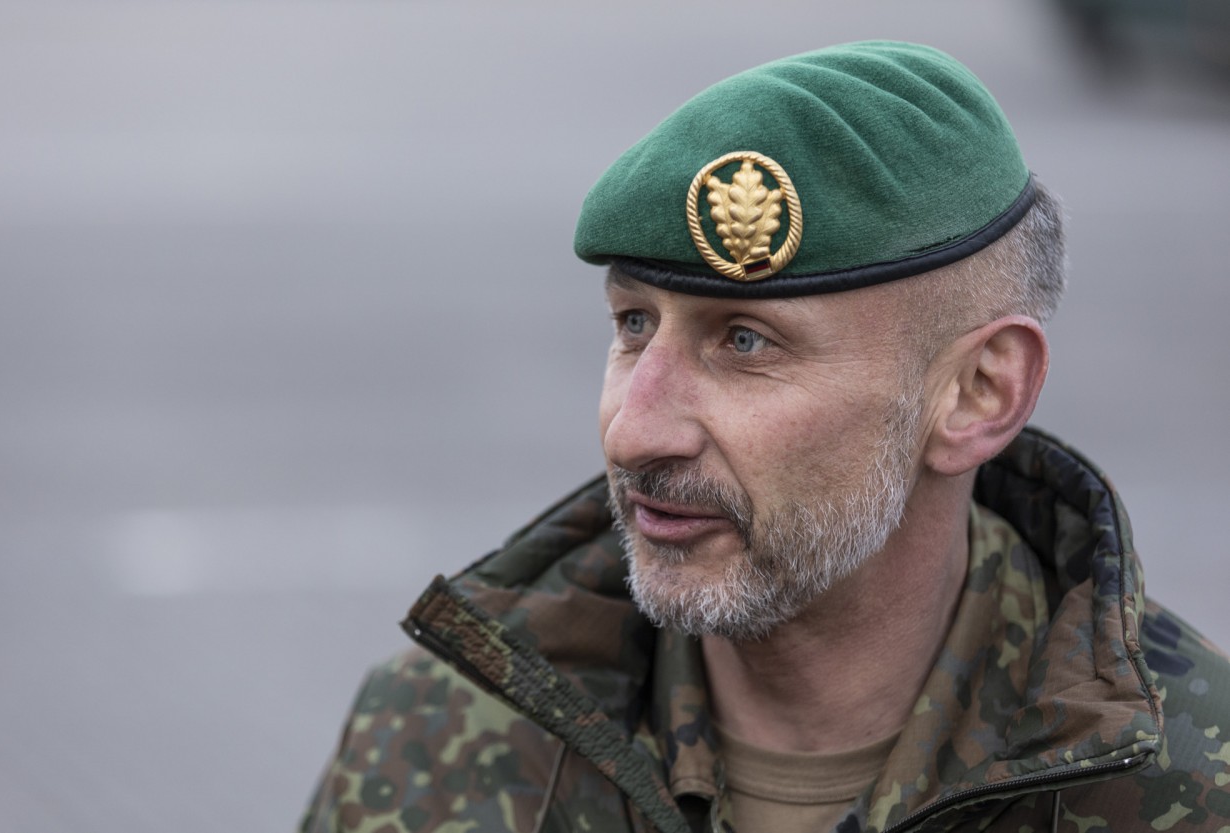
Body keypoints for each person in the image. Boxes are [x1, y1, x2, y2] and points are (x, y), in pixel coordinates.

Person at [301, 41, 1230, 833]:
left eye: (745, 341)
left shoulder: (1188, 784)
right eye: (633, 323)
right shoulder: (432, 738)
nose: (635, 430)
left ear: (977, 393)